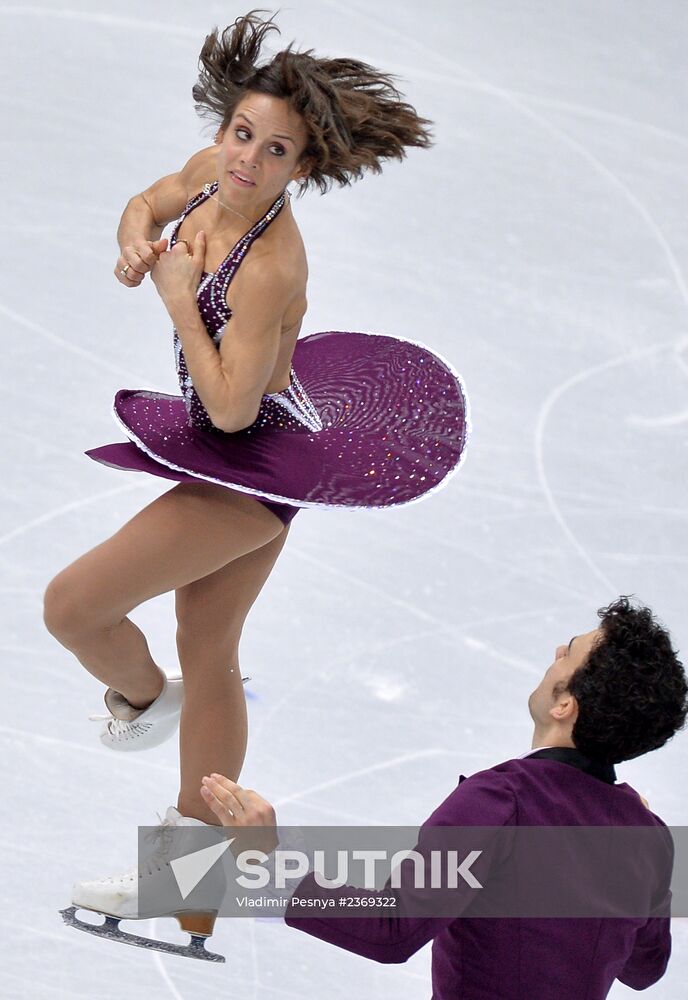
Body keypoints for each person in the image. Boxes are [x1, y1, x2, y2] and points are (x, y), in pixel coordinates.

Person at [45, 10, 468, 954]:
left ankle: (143, 701)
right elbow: (145, 203)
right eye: (242, 134)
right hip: (227, 443)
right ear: (224, 128)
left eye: (276, 150)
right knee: (213, 648)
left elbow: (233, 407)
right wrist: (135, 246)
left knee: (73, 608)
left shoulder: (273, 265)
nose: (247, 160)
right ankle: (190, 891)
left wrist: (175, 298)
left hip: (253, 457)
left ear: (302, 168)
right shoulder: (209, 174)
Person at [204, 596, 688, 997]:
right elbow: (645, 970)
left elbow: (392, 930)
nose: (557, 648)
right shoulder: (646, 837)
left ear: (565, 704)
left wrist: (271, 860)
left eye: (570, 652)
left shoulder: (501, 800)